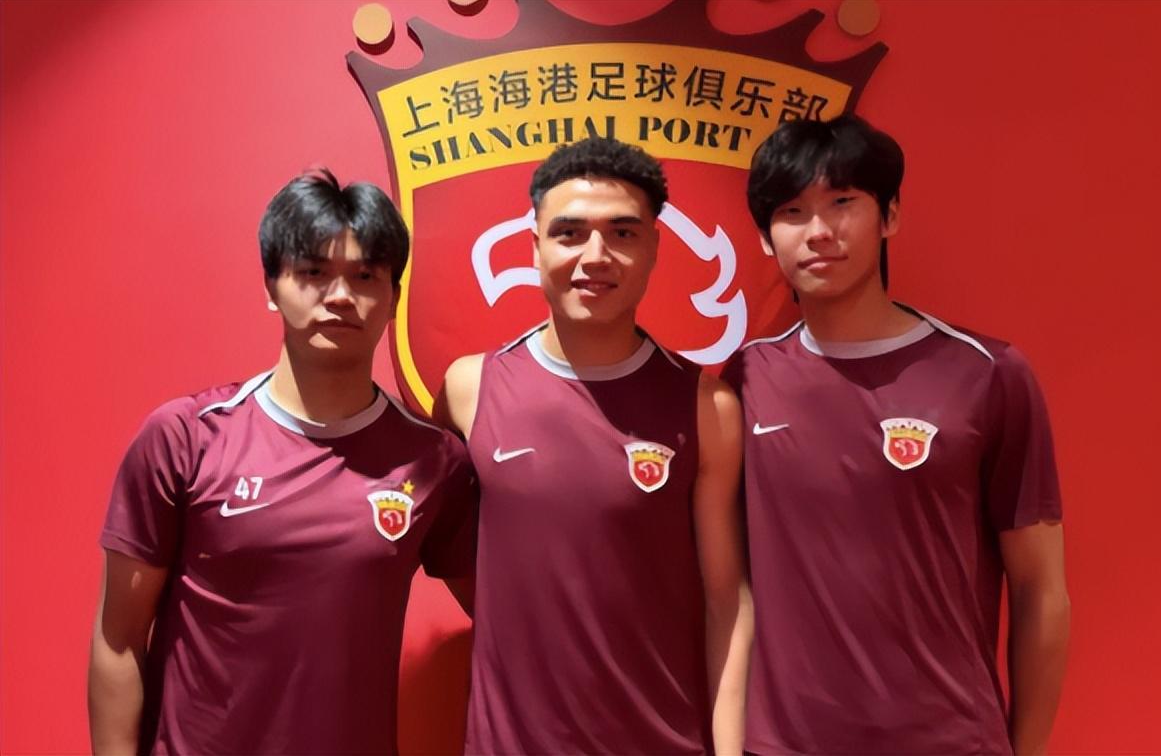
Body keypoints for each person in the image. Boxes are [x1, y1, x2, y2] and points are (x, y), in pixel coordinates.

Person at [88, 169, 477, 755]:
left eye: (365, 276)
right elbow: (118, 640)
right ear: (272, 286)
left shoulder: (433, 461)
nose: (340, 296)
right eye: (313, 272)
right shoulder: (187, 437)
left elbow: (510, 618)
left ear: (394, 297)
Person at [726, 115, 1071, 755]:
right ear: (766, 239)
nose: (819, 231)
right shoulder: (744, 381)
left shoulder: (987, 373)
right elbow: (727, 587)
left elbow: (1041, 590)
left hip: (948, 741)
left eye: (843, 202)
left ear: (889, 216)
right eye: (792, 212)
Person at [433, 137, 752, 755]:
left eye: (622, 234)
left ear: (654, 247)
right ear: (535, 246)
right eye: (570, 234)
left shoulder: (707, 408)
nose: (595, 256)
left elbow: (727, 602)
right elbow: (452, 553)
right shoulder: (470, 388)